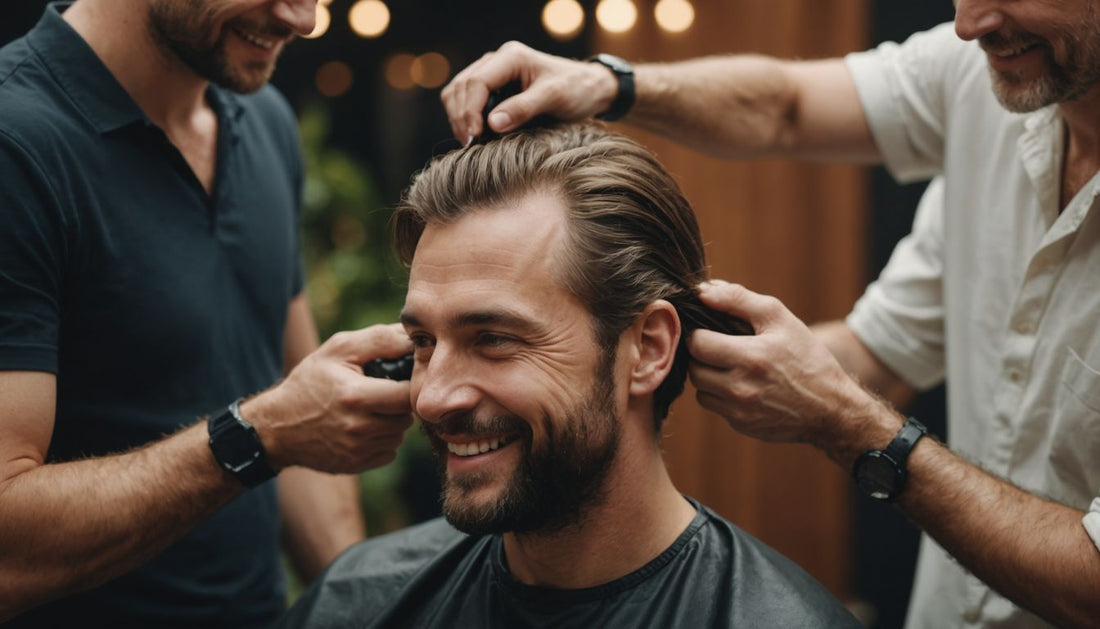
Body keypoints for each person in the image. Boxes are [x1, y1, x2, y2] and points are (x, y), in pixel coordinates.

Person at [440, 1, 1100, 628]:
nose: (967, 25)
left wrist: (853, 424)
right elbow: (784, 108)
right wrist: (607, 83)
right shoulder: (984, 77)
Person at [277, 122, 861, 628]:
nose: (431, 398)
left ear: (649, 349)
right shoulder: (359, 601)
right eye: (424, 342)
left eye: (494, 340)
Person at [0, 1, 413, 626]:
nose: (303, 19)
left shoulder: (265, 118)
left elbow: (301, 397)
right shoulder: (15, 143)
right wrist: (257, 436)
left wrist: (361, 612)